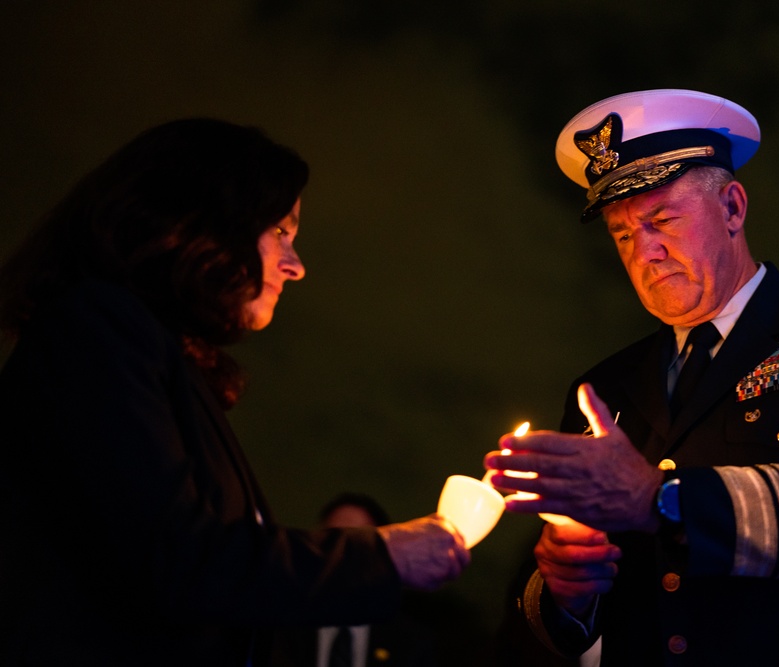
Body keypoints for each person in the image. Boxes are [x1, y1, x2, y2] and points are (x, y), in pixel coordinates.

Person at [484, 89, 779, 665]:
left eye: (662, 220)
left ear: (731, 207)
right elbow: (558, 622)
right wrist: (567, 591)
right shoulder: (602, 388)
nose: (644, 251)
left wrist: (662, 499)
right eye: (622, 234)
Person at [0, 118, 470, 666]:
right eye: (280, 231)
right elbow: (173, 558)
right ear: (202, 219)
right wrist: (384, 555)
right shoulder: (97, 329)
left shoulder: (153, 353)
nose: (295, 267)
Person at [269, 493, 439, 667]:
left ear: (382, 554)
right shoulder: (279, 628)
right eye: (333, 542)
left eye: (358, 544)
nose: (343, 557)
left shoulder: (409, 641)